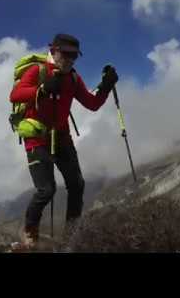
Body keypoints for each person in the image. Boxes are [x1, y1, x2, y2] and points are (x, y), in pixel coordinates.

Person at [9, 33, 118, 248]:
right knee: (46, 190)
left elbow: (92, 103)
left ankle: (71, 235)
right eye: (65, 54)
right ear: (54, 50)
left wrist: (105, 86)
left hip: (61, 137)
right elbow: (15, 95)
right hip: (37, 137)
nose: (69, 59)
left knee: (77, 185)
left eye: (74, 56)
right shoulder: (38, 70)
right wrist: (42, 88)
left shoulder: (73, 79)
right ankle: (30, 230)